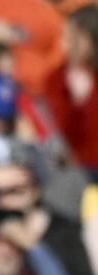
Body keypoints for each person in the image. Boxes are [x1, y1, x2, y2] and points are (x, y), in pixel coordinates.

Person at [45, 5, 98, 174]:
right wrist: (79, 104)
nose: (64, 45)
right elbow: (64, 136)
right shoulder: (58, 78)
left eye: (71, 38)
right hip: (79, 170)